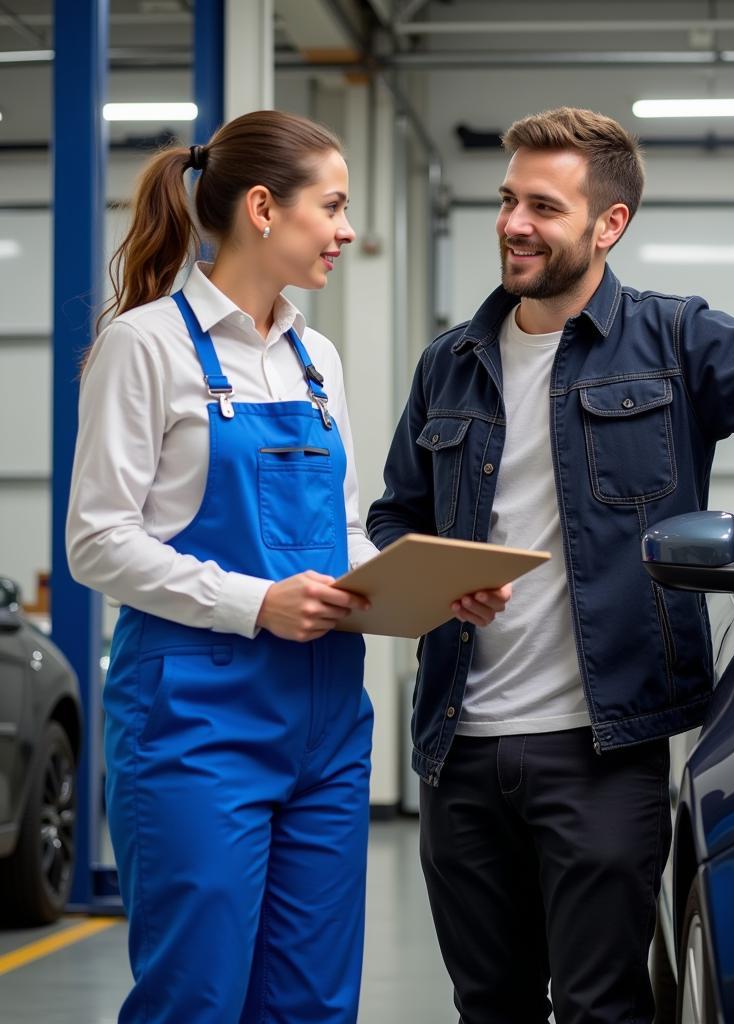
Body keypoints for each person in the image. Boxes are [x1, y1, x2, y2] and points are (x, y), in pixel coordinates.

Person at [366, 107, 734, 1024]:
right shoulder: (449, 365)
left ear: (608, 224)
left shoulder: (674, 342)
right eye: (507, 199)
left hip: (602, 751)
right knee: (487, 1005)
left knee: (604, 1007)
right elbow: (395, 514)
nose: (512, 223)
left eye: (542, 206)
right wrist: (424, 575)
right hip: (456, 754)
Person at [68, 110, 385, 1023]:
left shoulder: (316, 360)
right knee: (197, 999)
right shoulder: (146, 347)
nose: (346, 230)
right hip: (196, 723)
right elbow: (97, 540)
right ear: (261, 208)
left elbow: (345, 534)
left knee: (314, 1003)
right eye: (332, 207)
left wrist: (412, 585)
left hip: (327, 721)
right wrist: (256, 603)